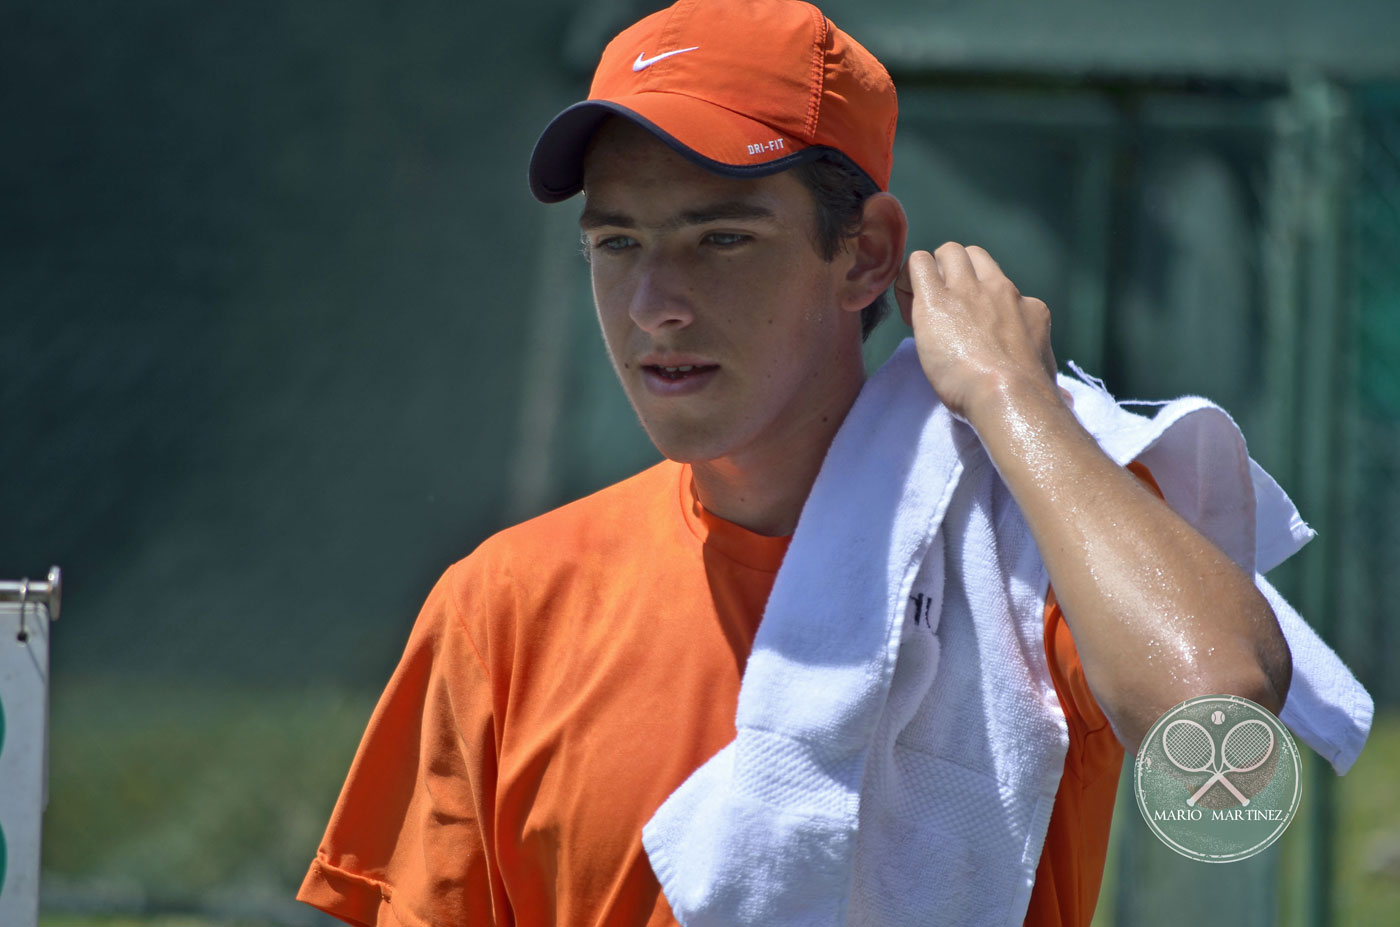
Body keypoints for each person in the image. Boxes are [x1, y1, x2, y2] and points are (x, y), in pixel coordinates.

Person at [296, 1, 1297, 924]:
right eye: (616, 244)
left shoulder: (1016, 562)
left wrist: (1013, 399)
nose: (654, 305)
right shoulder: (501, 607)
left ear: (863, 255)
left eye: (719, 238)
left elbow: (1216, 716)